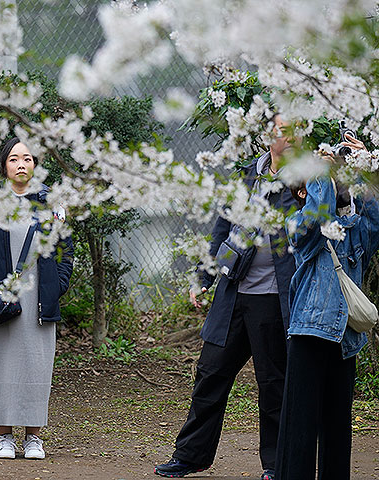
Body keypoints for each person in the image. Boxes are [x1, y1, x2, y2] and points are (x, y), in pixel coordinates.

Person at [154, 115, 298, 480]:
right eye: (283, 130)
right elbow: (222, 226)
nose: (292, 137)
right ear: (268, 136)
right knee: (210, 374)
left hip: (274, 297)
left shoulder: (303, 179)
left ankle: (276, 466)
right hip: (233, 292)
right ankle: (192, 455)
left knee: (273, 383)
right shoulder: (247, 175)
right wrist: (203, 275)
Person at [0, 137, 73, 460]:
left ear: (35, 164)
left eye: (27, 158)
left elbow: (65, 249)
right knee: (0, 363)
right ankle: (4, 437)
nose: (21, 164)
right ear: (4, 166)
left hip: (38, 296)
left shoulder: (53, 203)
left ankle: (34, 438)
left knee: (36, 365)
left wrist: (57, 284)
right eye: (13, 159)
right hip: (0, 296)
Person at [275, 134, 379, 480]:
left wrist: (362, 168)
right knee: (299, 429)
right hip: (309, 332)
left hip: (346, 338)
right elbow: (319, 218)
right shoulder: (299, 225)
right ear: (304, 193)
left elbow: (374, 219)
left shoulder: (355, 232)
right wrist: (321, 172)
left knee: (338, 429)